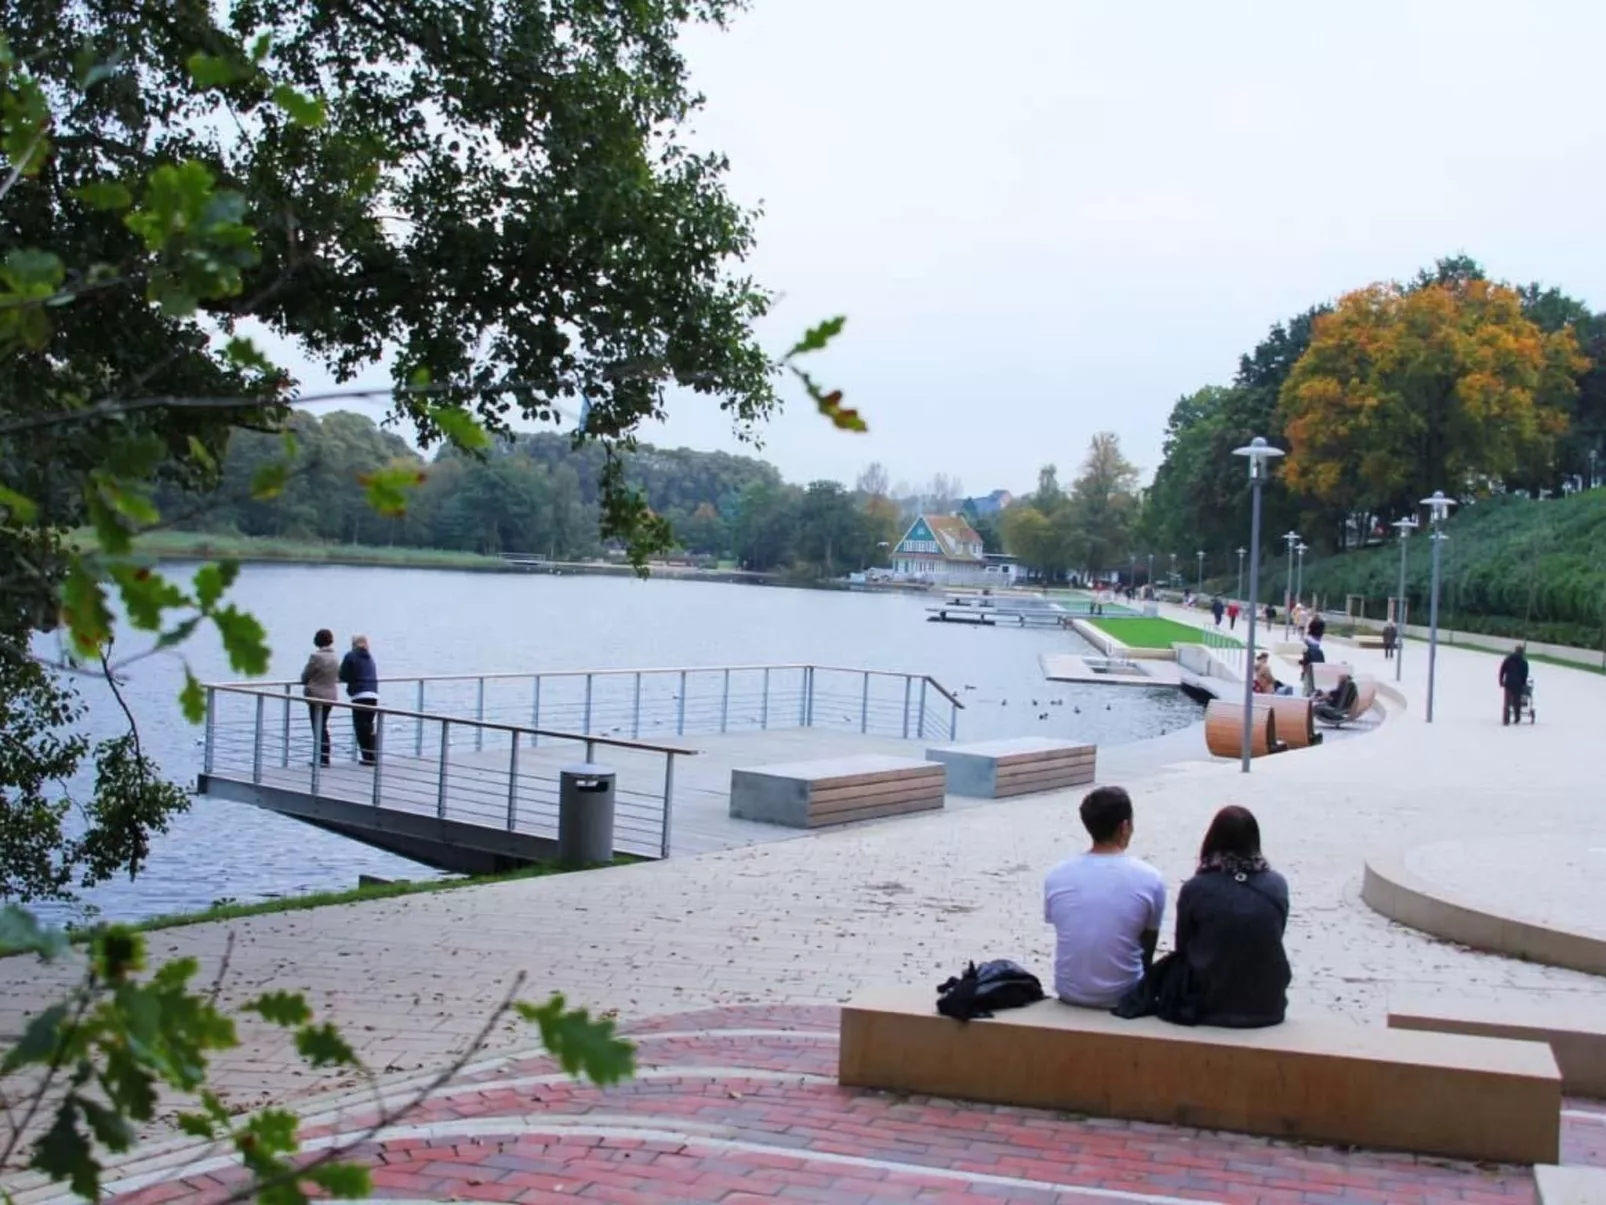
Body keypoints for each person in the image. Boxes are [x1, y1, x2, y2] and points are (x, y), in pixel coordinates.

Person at [1043, 786, 1167, 1009]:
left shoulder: (1057, 875)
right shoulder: (1151, 878)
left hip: (1069, 990)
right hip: (1123, 993)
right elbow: (1147, 945)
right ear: (1125, 826)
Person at [1169, 806, 1291, 1028]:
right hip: (1267, 1006)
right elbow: (1274, 933)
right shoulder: (1277, 885)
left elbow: (1183, 948)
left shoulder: (1196, 888)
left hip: (1206, 1005)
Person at [300, 629, 339, 768]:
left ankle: (321, 758)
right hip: (330, 696)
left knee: (317, 726)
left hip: (316, 696)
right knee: (323, 726)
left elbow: (305, 675)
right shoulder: (335, 657)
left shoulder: (316, 657)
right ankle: (324, 756)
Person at [339, 634, 380, 765]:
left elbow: (343, 674)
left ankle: (368, 757)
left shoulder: (351, 656)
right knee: (368, 726)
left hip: (360, 695)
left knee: (360, 727)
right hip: (373, 694)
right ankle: (373, 755)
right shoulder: (369, 657)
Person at [1499, 643, 1530, 727]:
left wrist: (1501, 681)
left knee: (1507, 702)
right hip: (1518, 684)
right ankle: (1517, 718)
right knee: (1517, 701)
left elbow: (1502, 670)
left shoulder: (1508, 659)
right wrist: (1523, 683)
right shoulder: (1524, 662)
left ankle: (1506, 719)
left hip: (1508, 683)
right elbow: (1525, 674)